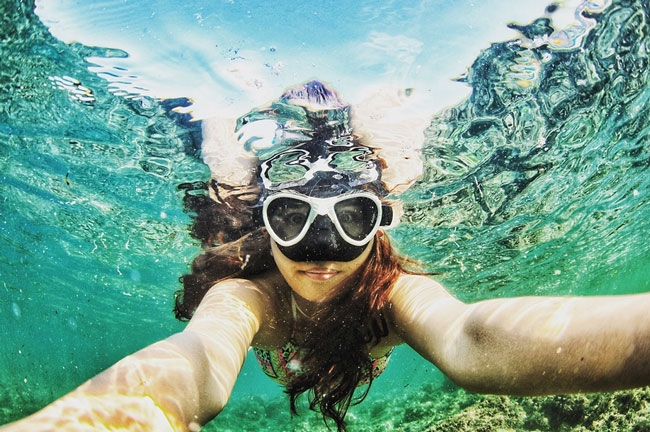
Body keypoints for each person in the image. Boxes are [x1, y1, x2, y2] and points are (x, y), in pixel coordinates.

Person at [3, 80, 650, 432]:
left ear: (377, 223)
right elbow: (198, 357)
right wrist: (131, 415)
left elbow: (472, 339)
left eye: (353, 218)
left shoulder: (392, 293)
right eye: (292, 218)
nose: (323, 252)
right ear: (269, 222)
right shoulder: (249, 292)